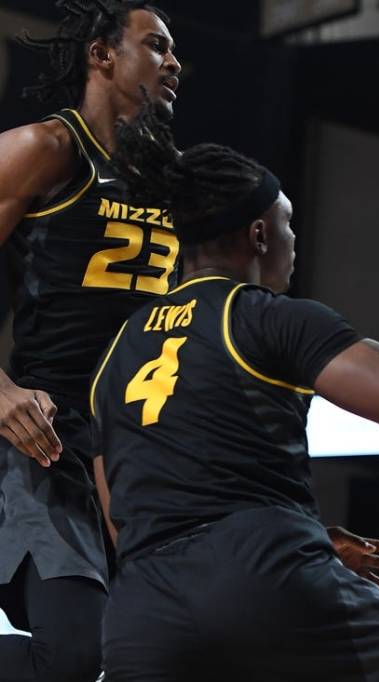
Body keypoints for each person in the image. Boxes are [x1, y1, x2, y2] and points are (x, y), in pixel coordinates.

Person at [88, 102, 379, 681]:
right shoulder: (265, 316)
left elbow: (119, 510)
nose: (294, 238)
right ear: (259, 234)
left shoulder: (119, 347)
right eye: (289, 223)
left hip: (144, 604)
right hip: (260, 572)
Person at [0, 3, 181, 680]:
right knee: (74, 657)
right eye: (156, 46)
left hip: (134, 454)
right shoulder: (46, 147)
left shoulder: (168, 176)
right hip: (44, 438)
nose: (174, 64)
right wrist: (1, 389)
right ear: (101, 55)